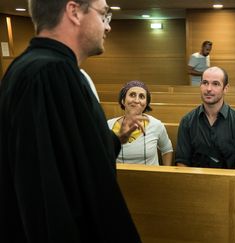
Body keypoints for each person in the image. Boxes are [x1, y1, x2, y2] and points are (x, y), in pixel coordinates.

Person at [0, 0, 142, 242]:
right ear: (74, 11)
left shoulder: (30, 67)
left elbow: (71, 153)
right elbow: (49, 190)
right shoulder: (51, 73)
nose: (107, 27)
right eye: (103, 14)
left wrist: (115, 139)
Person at [175, 66, 235, 169]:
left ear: (226, 89)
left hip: (229, 182)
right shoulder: (187, 121)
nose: (208, 89)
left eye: (215, 84)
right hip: (195, 182)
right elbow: (182, 161)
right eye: (205, 83)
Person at [108, 80, 173, 165]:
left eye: (142, 96)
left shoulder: (156, 125)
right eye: (132, 95)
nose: (136, 100)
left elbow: (167, 149)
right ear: (123, 100)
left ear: (146, 103)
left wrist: (166, 173)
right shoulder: (108, 125)